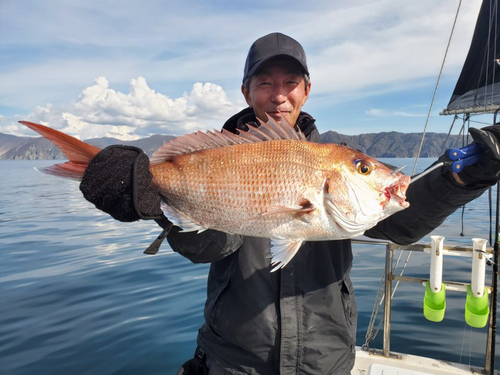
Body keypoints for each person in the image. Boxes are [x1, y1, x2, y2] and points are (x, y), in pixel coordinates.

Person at [79, 33, 500, 374]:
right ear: (246, 91)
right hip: (233, 360)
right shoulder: (225, 153)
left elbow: (398, 226)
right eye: (265, 83)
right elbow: (208, 247)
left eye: (290, 83)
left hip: (326, 359)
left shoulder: (330, 155)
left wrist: (458, 178)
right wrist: (149, 197)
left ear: (307, 89)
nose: (279, 96)